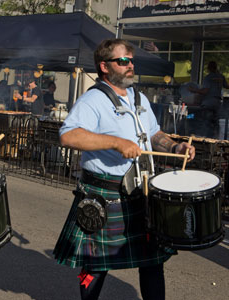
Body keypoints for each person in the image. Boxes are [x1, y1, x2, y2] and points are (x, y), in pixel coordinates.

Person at [53, 39, 195, 300]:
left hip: (141, 191)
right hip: (104, 194)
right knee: (97, 265)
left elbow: (153, 133)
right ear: (105, 67)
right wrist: (116, 143)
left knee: (153, 261)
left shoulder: (138, 98)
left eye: (131, 60)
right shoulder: (92, 100)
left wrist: (175, 148)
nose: (130, 65)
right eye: (123, 61)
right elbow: (68, 136)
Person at [189, 61, 229, 138]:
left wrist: (194, 90)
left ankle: (206, 138)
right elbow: (227, 86)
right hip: (217, 103)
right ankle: (215, 138)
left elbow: (205, 91)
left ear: (209, 68)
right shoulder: (221, 77)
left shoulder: (208, 78)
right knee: (216, 122)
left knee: (206, 122)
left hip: (208, 103)